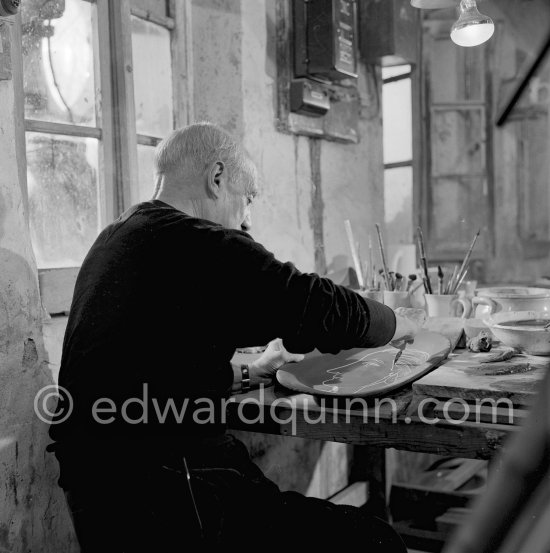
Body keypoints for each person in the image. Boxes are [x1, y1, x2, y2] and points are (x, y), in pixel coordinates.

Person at [48, 122, 418, 551]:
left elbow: (155, 366)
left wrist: (249, 374)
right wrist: (401, 322)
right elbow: (318, 307)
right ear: (217, 177)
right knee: (375, 541)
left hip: (103, 489)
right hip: (166, 487)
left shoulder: (117, 237)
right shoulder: (201, 242)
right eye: (248, 199)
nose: (247, 218)